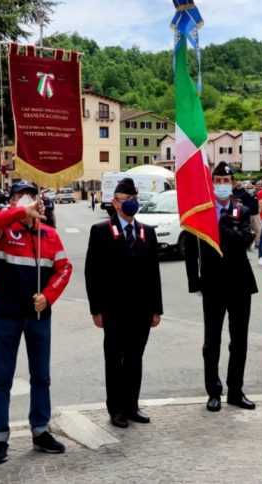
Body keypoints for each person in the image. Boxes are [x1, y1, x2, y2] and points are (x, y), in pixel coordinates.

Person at [0, 181, 72, 464]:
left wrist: (49, 295)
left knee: (41, 377)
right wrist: (20, 212)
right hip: (7, 313)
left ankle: (40, 430)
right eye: (20, 197)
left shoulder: (49, 235)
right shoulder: (1, 230)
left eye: (31, 196)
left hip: (39, 315)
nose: (26, 201)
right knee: (2, 378)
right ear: (11, 202)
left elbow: (64, 268)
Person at [85, 178, 162, 429]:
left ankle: (132, 405)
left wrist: (156, 309)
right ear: (114, 203)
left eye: (133, 200)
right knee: (115, 360)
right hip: (113, 310)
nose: (131, 204)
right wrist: (96, 309)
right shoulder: (101, 232)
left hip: (141, 310)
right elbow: (92, 273)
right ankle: (116, 409)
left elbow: (153, 274)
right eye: (125, 200)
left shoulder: (146, 232)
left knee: (135, 358)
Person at [183, 161, 258, 413]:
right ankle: (213, 391)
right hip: (213, 283)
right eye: (218, 181)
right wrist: (195, 281)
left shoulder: (242, 210)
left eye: (227, 181)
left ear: (233, 183)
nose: (222, 185)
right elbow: (190, 250)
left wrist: (225, 230)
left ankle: (235, 391)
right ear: (211, 182)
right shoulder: (201, 213)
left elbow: (247, 238)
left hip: (240, 283)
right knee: (211, 341)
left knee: (239, 340)